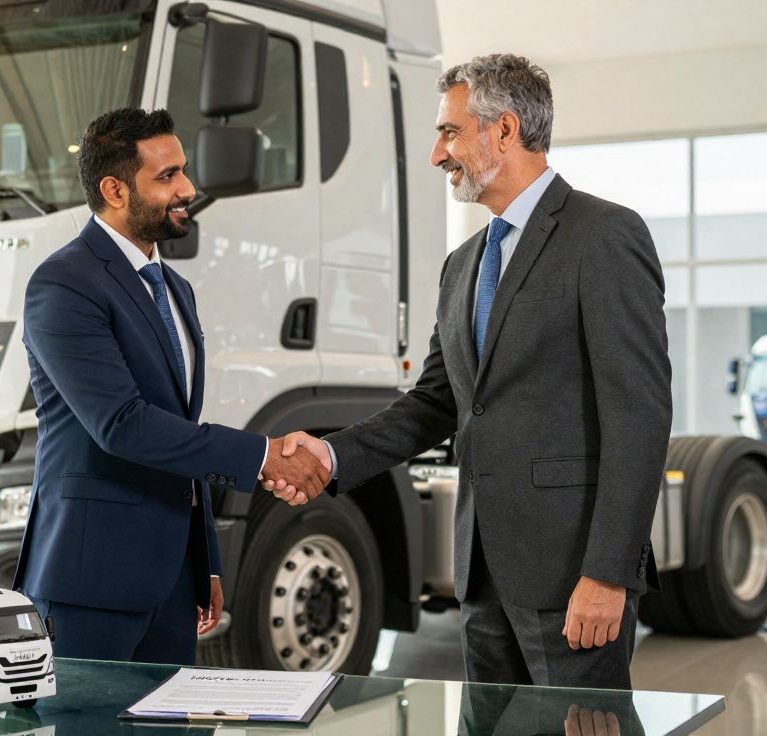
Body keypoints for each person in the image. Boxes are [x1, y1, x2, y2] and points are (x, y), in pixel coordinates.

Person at [269, 54, 672, 689]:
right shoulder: (464, 263)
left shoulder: (603, 235)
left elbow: (639, 417)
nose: (437, 155)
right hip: (481, 572)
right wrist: (330, 455)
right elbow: (436, 401)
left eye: (449, 132)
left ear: (504, 130)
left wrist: (609, 573)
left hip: (573, 579)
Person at [13, 107, 327, 665]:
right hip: (91, 582)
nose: (188, 188)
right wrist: (262, 456)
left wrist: (202, 557)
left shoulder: (175, 287)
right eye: (167, 177)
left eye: (182, 170)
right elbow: (122, 424)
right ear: (113, 189)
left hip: (172, 581)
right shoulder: (63, 283)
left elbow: (177, 429)